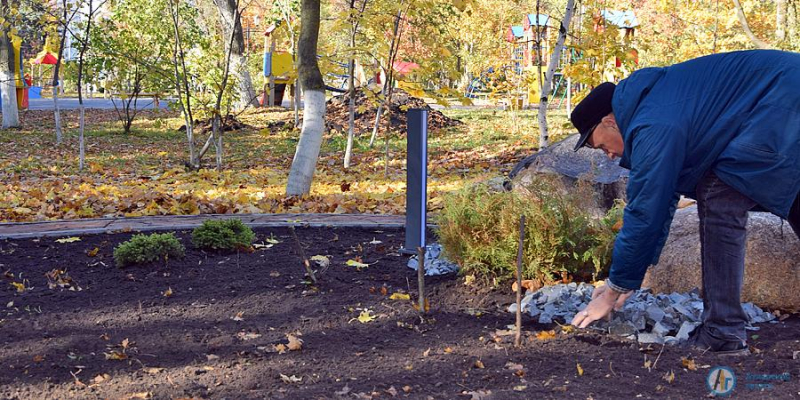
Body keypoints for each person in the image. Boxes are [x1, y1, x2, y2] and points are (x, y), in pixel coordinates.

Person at [567, 50, 800, 356]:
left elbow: (646, 209)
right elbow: (663, 202)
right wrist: (624, 282)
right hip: (783, 100)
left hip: (784, 105)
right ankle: (724, 330)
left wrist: (613, 291)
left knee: (720, 193)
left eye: (600, 146)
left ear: (609, 121)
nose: (608, 155)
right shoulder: (658, 101)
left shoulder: (652, 123)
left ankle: (722, 332)